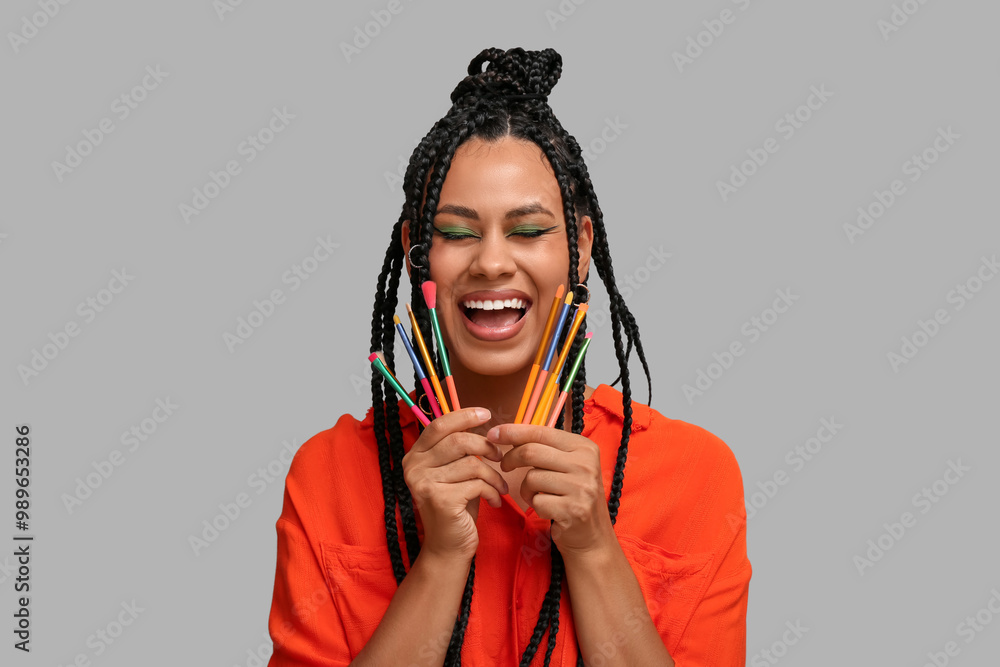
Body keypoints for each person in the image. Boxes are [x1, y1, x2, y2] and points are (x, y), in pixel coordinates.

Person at [265, 47, 751, 666]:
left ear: (579, 245)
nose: (492, 262)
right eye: (459, 233)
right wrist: (440, 559)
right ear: (418, 252)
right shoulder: (326, 477)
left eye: (527, 231)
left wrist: (593, 548)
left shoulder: (695, 475)